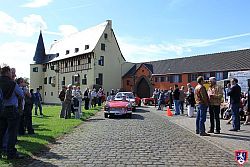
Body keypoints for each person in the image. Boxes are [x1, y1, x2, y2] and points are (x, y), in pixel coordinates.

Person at [0, 65, 24, 159]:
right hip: (11, 109)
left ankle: (1, 150)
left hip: (1, 109)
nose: (12, 74)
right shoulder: (12, 83)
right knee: (12, 132)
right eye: (10, 72)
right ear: (7, 72)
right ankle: (11, 153)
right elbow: (21, 94)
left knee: (1, 132)